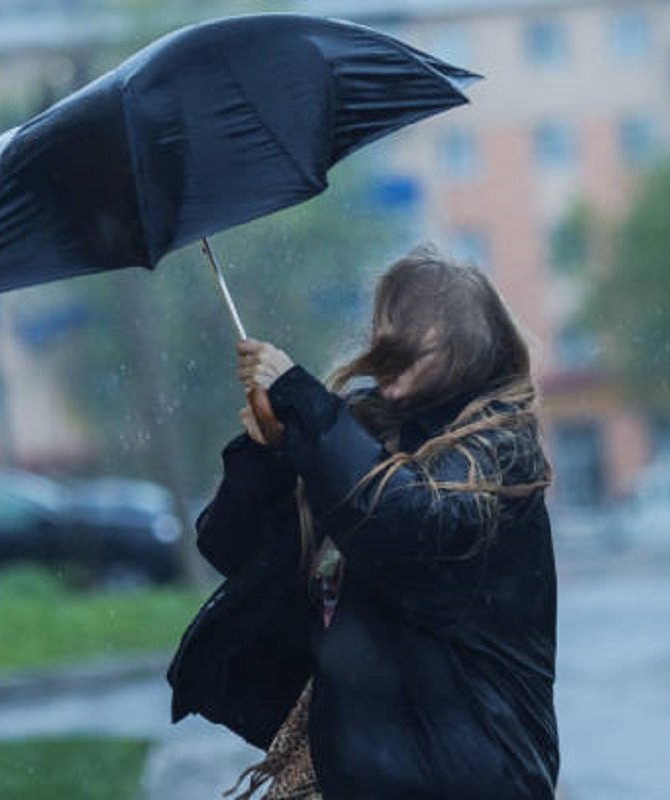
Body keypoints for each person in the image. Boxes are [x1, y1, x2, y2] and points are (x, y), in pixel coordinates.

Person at [167, 247, 559, 799]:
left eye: (409, 335)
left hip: (470, 776)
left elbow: (404, 526)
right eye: (383, 330)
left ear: (462, 345)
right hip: (358, 770)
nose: (386, 347)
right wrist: (271, 453)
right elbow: (233, 547)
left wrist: (302, 399)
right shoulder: (362, 437)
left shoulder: (497, 450)